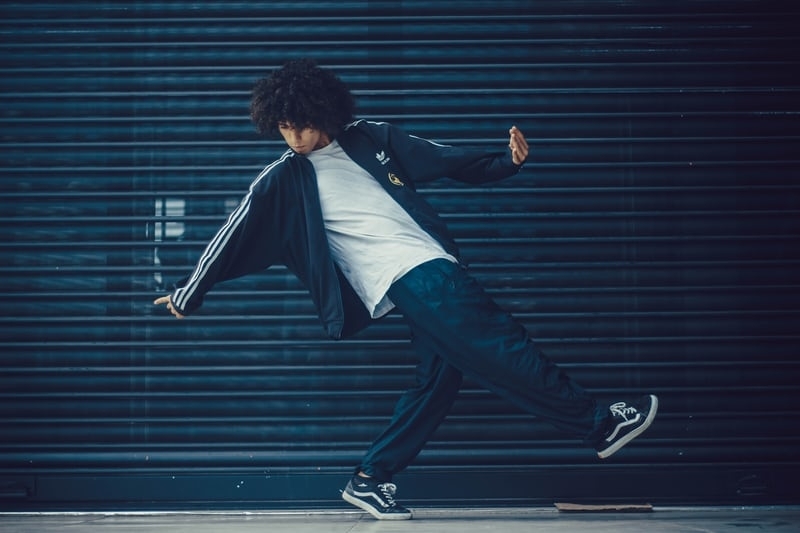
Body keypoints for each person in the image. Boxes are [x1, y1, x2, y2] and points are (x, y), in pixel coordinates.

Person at [154, 58, 658, 521]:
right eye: (284, 127)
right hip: (409, 275)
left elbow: (444, 159)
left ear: (323, 113)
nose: (295, 137)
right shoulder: (282, 178)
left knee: (437, 382)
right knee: (501, 343)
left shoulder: (368, 137)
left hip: (428, 265)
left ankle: (370, 478)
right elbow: (233, 232)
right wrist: (187, 293)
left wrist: (505, 163)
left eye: (302, 124)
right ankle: (599, 424)